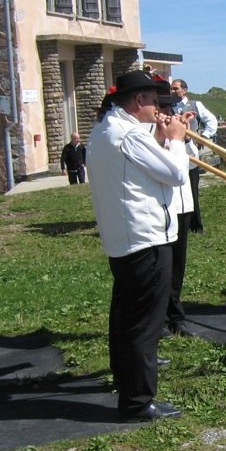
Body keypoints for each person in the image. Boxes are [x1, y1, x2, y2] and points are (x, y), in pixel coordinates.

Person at [87, 69, 191, 421]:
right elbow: (176, 174)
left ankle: (126, 380)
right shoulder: (130, 135)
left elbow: (145, 171)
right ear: (137, 102)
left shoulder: (104, 131)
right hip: (146, 238)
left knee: (125, 319)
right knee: (144, 326)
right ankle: (137, 400)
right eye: (152, 101)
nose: (156, 109)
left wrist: (160, 141)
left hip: (123, 239)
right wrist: (175, 139)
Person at [155, 94, 197, 339]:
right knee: (162, 268)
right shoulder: (150, 135)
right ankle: (159, 318)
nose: (169, 112)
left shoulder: (175, 129)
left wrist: (183, 134)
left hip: (183, 206)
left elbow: (191, 162)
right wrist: (167, 136)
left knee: (178, 265)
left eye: (170, 107)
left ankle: (175, 316)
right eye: (163, 107)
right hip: (165, 207)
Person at [170, 79, 218, 233]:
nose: (173, 91)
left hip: (189, 150)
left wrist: (204, 135)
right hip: (173, 152)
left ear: (184, 90)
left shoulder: (195, 105)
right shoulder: (169, 107)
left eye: (175, 88)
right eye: (171, 89)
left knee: (192, 188)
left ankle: (196, 225)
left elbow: (211, 120)